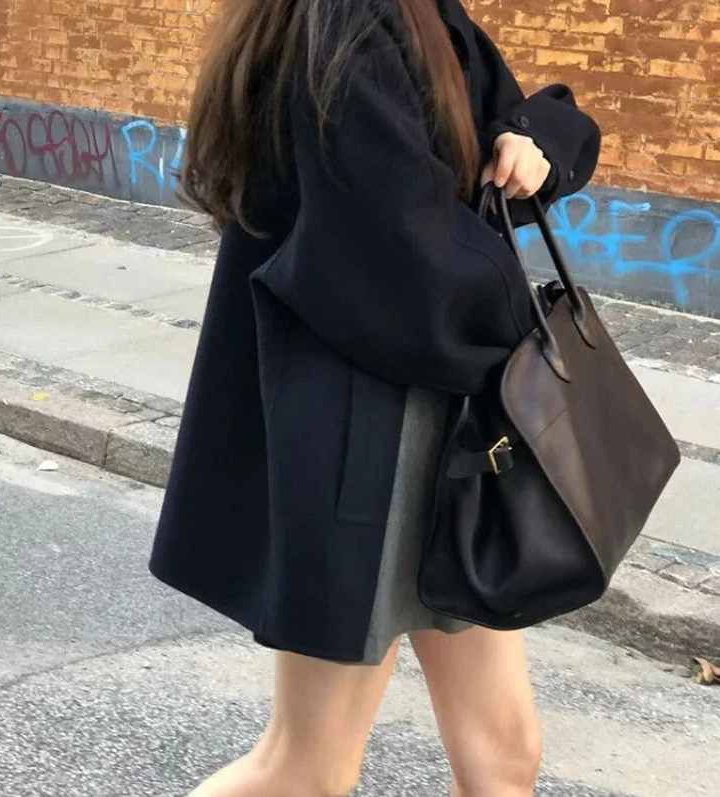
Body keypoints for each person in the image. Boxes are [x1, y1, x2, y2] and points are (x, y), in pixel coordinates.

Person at [149, 0, 601, 795]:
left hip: (450, 428)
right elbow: (397, 247)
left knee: (503, 755)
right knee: (306, 767)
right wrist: (527, 340)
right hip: (364, 441)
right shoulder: (345, 20)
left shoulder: (413, 12)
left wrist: (529, 144)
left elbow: (511, 115)